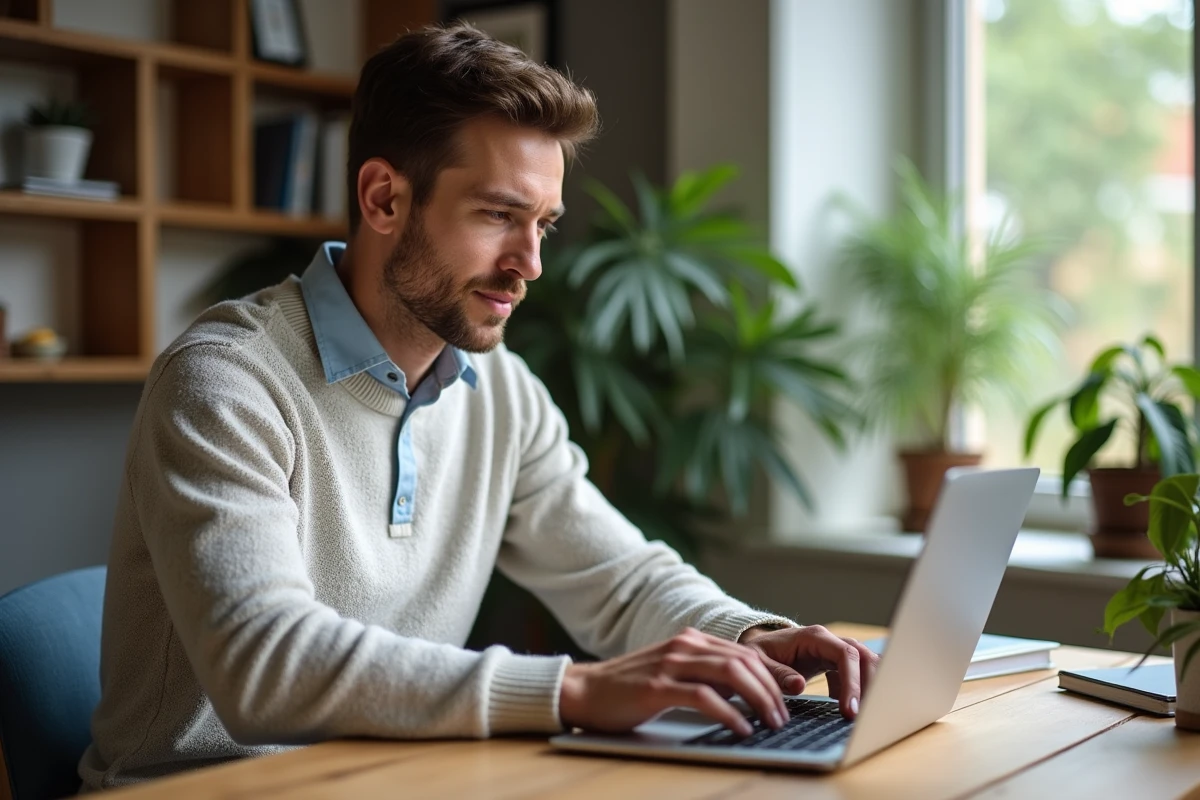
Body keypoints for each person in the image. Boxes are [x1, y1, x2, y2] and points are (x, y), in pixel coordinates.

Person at [78, 23, 878, 791]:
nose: (528, 264)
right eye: (499, 215)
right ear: (384, 198)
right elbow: (264, 663)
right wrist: (570, 691)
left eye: (544, 225)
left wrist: (752, 634)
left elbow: (618, 579)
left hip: (390, 782)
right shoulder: (225, 382)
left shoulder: (501, 392)